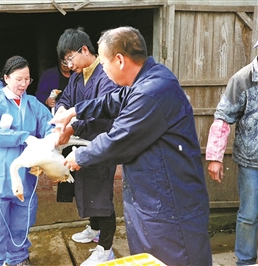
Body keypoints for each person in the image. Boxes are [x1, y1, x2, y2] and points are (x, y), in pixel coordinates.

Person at [51, 26, 212, 265]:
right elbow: (113, 100)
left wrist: (79, 157)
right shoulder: (147, 80)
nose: (103, 69)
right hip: (150, 194)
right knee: (149, 257)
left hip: (169, 201)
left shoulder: (151, 92)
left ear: (120, 60)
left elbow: (118, 139)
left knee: (173, 257)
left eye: (104, 63)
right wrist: (75, 112)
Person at [0, 55, 54, 266]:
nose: (23, 84)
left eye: (27, 79)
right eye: (19, 79)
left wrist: (52, 136)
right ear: (6, 77)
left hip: (24, 176)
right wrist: (23, 136)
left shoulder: (33, 104)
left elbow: (49, 125)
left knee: (21, 221)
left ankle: (18, 259)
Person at [54, 27, 118, 266]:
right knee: (85, 187)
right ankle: (93, 228)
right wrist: (60, 110)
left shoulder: (106, 74)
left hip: (102, 144)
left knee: (101, 195)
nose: (69, 65)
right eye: (66, 61)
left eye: (70, 58)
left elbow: (105, 113)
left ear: (84, 49)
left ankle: (106, 247)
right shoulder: (78, 78)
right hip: (82, 143)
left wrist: (72, 127)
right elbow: (64, 99)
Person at [206, 40, 258, 266]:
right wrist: (215, 158)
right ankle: (245, 261)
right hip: (251, 162)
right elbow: (223, 119)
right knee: (249, 214)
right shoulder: (242, 79)